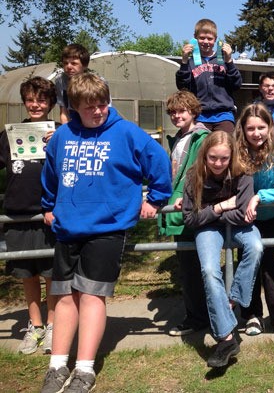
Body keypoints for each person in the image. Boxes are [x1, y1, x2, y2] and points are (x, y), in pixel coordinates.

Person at [40, 73, 172, 392]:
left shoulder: (126, 133)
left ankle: (84, 370)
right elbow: (50, 175)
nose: (98, 111)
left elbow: (159, 165)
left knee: (91, 294)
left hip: (107, 228)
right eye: (90, 107)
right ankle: (57, 365)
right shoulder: (62, 136)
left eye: (102, 104)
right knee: (64, 296)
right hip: (68, 226)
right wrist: (48, 206)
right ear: (75, 108)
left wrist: (155, 199)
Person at [182, 130, 263, 368]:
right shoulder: (193, 176)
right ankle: (226, 337)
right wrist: (219, 208)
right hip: (207, 229)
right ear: (205, 155)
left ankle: (233, 300)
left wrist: (210, 213)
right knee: (208, 270)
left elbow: (243, 215)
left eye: (224, 159)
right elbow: (190, 219)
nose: (218, 163)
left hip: (235, 226)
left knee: (256, 247)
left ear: (232, 157)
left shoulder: (243, 174)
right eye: (213, 158)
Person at [1, 77, 57, 355]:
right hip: (17, 214)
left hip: (49, 215)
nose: (36, 105)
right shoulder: (9, 134)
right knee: (27, 274)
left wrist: (56, 143)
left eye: (42, 100)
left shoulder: (61, 132)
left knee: (51, 274)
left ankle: (53, 326)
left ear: (51, 104)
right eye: (31, 100)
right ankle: (34, 326)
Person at [235, 103, 274, 337]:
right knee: (247, 263)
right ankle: (251, 315)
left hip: (270, 215)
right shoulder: (237, 151)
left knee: (270, 265)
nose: (256, 133)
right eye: (250, 128)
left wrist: (260, 197)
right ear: (242, 129)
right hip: (243, 218)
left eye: (261, 127)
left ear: (270, 127)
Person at [159, 90, 210, 336]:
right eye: (172, 112)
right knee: (188, 266)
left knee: (196, 267)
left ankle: (199, 318)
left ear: (193, 111)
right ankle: (197, 314)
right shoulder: (179, 138)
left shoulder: (200, 138)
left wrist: (186, 196)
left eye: (181, 111)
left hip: (192, 209)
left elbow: (197, 171)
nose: (176, 116)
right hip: (178, 209)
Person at [176, 18, 242, 133]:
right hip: (200, 116)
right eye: (202, 38)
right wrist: (184, 61)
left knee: (224, 147)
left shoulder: (223, 60)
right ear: (195, 38)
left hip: (224, 115)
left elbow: (236, 84)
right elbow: (183, 87)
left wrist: (229, 61)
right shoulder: (190, 62)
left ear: (215, 40)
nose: (206, 42)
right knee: (200, 149)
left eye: (210, 39)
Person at [55, 44, 90, 124]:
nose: (69, 67)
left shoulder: (97, 83)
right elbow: (63, 112)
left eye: (74, 63)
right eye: (65, 63)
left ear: (85, 65)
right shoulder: (60, 80)